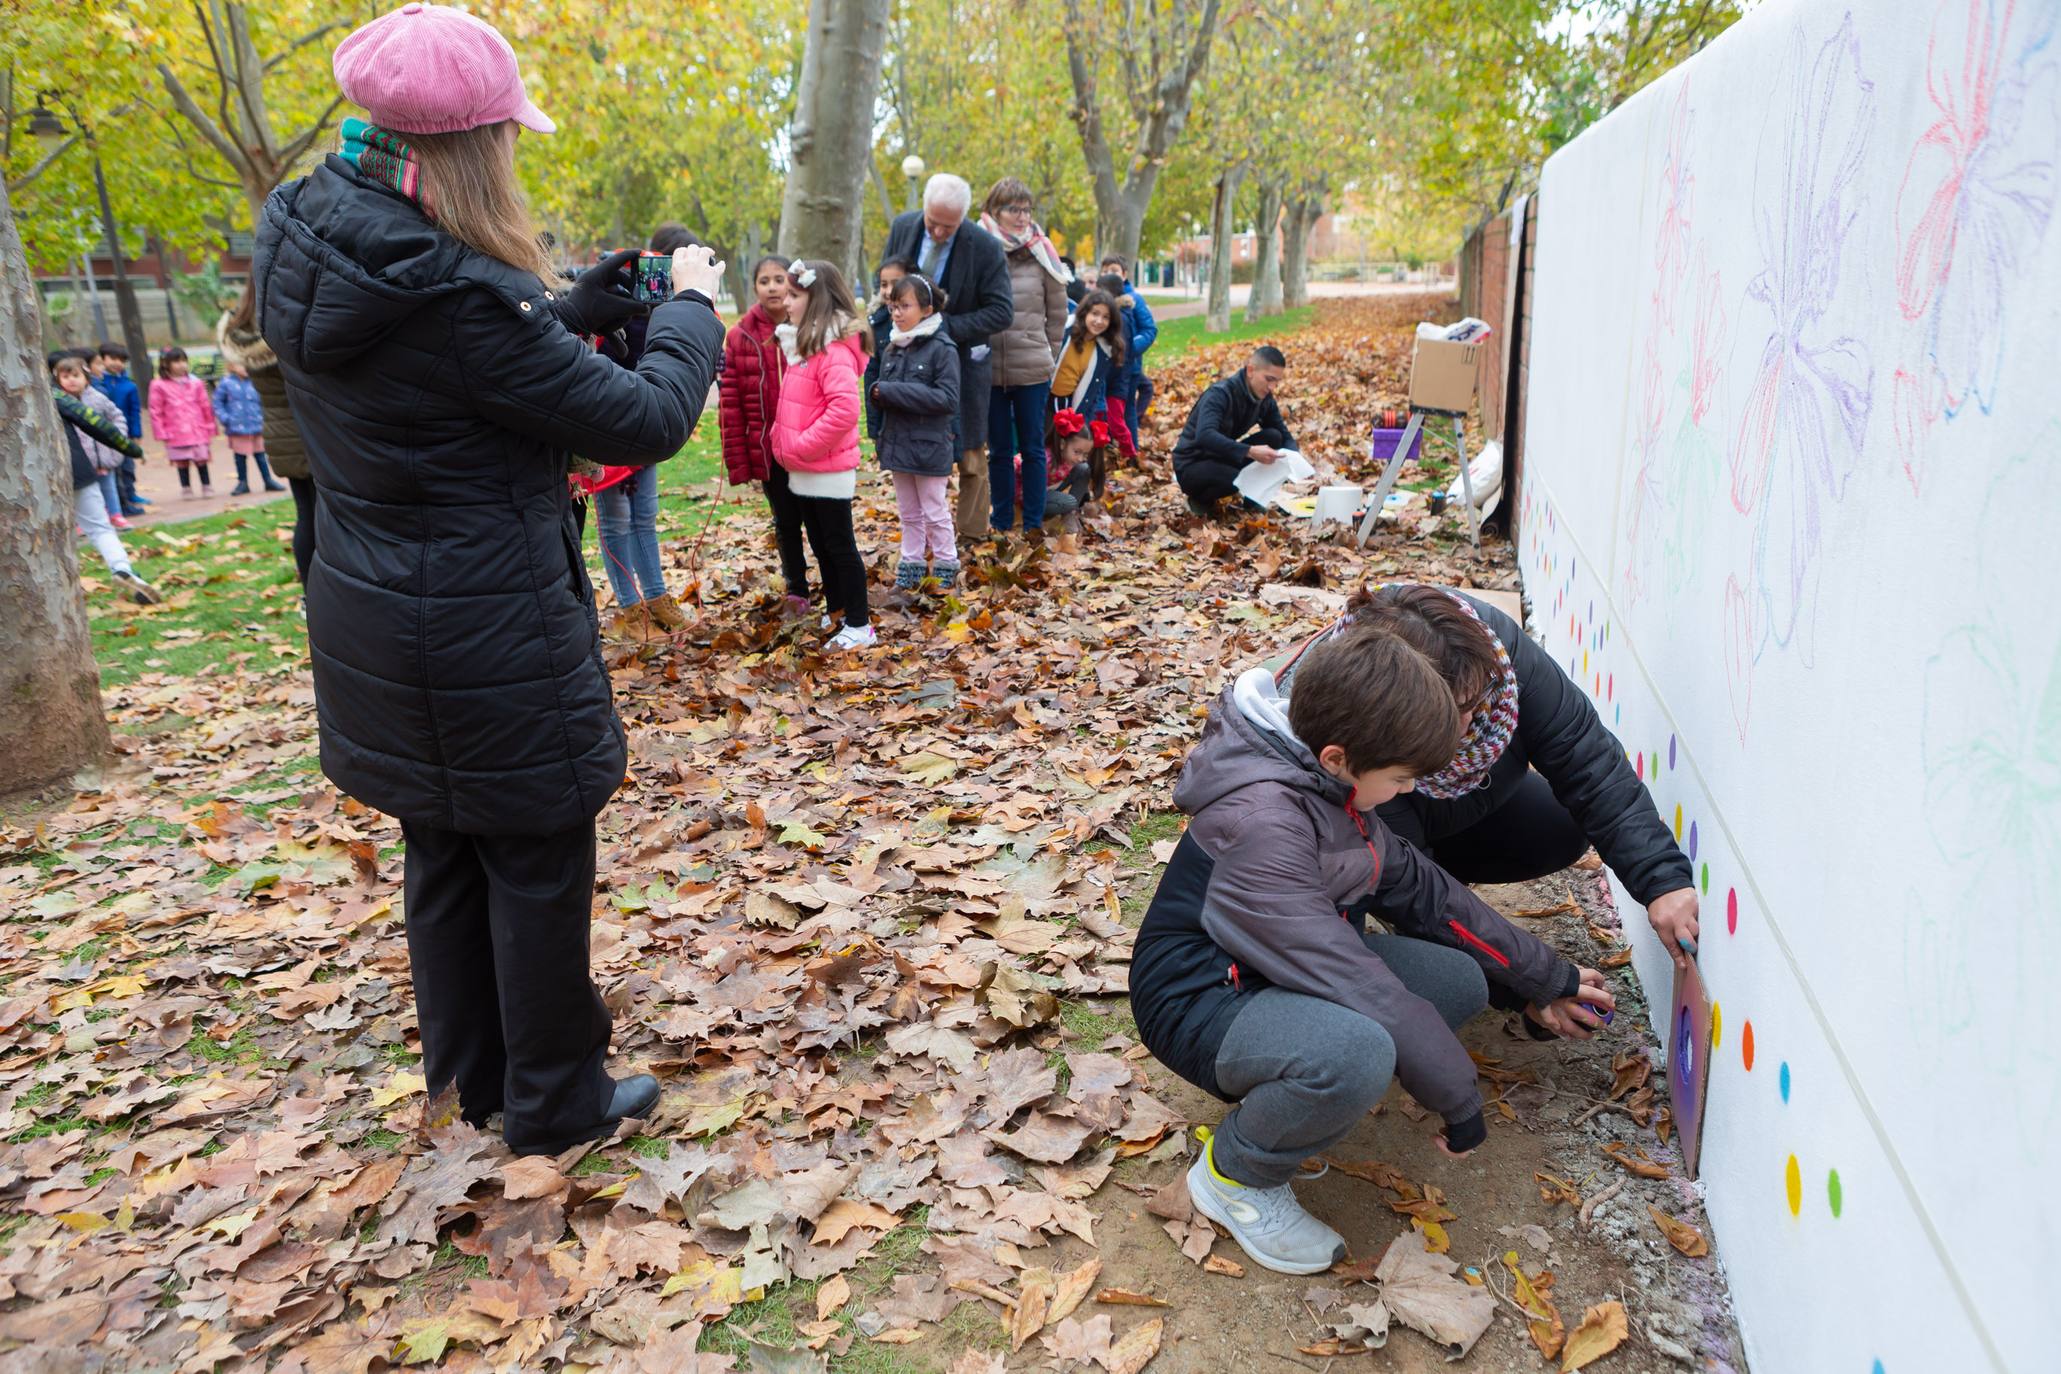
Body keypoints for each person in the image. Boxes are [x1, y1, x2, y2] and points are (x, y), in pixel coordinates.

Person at [251, 1, 727, 1156]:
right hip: (486, 627)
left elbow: (432, 376)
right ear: (472, 146)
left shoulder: (315, 234)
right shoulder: (459, 292)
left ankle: (474, 1080)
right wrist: (694, 306)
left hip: (380, 614)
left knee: (447, 847)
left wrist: (567, 314)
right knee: (536, 851)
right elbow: (651, 415)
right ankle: (555, 1101)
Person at [1129, 624, 1612, 1275]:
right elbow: (1355, 979)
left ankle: (1293, 1091)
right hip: (1200, 997)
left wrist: (1545, 978)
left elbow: (1431, 896)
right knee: (1360, 1049)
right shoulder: (1266, 825)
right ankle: (1234, 1176)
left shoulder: (1330, 792)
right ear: (1337, 757)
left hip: (1268, 970)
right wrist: (1454, 1092)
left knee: (1457, 983)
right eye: (1401, 778)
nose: (1408, 792)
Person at [1273, 583, 1702, 972]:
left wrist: (1662, 879)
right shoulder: (1348, 725)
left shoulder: (1494, 647)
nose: (1473, 720)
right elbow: (1413, 886)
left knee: (1557, 826)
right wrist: (1525, 983)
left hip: (1456, 810)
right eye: (1457, 711)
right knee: (1436, 953)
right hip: (1377, 822)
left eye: (1479, 701)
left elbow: (1584, 755)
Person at [879, 173, 1014, 543]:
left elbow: (1002, 311)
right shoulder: (903, 227)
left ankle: (971, 534)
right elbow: (887, 283)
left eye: (948, 227)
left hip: (961, 362)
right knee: (911, 449)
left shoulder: (985, 247)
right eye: (932, 222)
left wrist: (942, 326)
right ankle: (919, 535)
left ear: (964, 218)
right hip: (906, 365)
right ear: (923, 209)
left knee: (971, 453)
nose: (938, 232)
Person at [587, 221, 703, 637]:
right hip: (612, 418)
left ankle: (655, 596)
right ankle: (630, 605)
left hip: (649, 417)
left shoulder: (677, 305)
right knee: (615, 519)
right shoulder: (623, 293)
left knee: (645, 516)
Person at [770, 257, 874, 649]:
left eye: (795, 295)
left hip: (825, 466)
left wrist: (800, 445)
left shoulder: (832, 351)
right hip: (806, 468)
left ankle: (860, 623)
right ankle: (839, 612)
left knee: (839, 545)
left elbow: (845, 410)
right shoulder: (804, 346)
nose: (787, 301)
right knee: (821, 542)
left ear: (817, 300)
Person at [980, 177, 1071, 543]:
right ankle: (1002, 519)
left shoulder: (1042, 252)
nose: (1021, 217)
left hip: (1032, 365)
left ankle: (1033, 521)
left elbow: (1058, 313)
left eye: (1025, 209)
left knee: (1033, 447)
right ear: (994, 212)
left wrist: (1046, 351)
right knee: (999, 449)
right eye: (1012, 209)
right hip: (988, 367)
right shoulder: (982, 250)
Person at [720, 256, 810, 615]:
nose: (772, 287)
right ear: (755, 287)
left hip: (808, 445)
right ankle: (797, 588)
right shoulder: (741, 335)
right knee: (786, 521)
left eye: (779, 279)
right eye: (764, 281)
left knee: (820, 520)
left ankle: (834, 580)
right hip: (771, 450)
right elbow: (731, 401)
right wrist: (739, 460)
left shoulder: (807, 326)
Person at [219, 281, 317, 582]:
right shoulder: (290, 323)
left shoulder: (241, 330)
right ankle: (326, 591)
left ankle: (309, 594)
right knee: (328, 519)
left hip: (278, 434)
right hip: (313, 433)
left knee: (306, 514)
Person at [871, 271, 961, 592]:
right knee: (908, 514)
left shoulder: (942, 348)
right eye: (894, 306)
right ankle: (911, 567)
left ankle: (946, 567)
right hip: (898, 444)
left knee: (935, 511)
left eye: (904, 306)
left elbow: (947, 399)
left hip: (930, 445)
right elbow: (883, 392)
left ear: (926, 309)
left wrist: (891, 392)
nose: (896, 313)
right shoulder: (893, 347)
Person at [49, 357, 163, 605]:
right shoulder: (52, 395)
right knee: (100, 528)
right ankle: (122, 568)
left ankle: (54, 596)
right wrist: (131, 449)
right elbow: (95, 423)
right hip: (73, 469)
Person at [1171, 345, 1295, 518]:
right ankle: (1200, 499)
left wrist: (1296, 460)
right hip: (1192, 464)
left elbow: (1282, 432)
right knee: (1239, 479)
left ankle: (1253, 500)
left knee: (1274, 436)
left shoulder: (1264, 398)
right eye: (1269, 379)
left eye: (1276, 382)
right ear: (1251, 370)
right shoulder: (1220, 394)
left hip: (1219, 456)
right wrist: (1250, 452)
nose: (1272, 387)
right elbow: (1205, 436)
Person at [54, 350, 135, 530]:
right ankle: (83, 521)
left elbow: (117, 416)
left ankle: (115, 515)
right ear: (58, 380)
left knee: (109, 487)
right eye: (66, 376)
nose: (71, 380)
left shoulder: (98, 398)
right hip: (80, 459)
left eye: (76, 375)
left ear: (86, 377)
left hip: (104, 455)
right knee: (83, 493)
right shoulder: (59, 403)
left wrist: (117, 435)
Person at [1098, 256, 1157, 458]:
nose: (1109, 274)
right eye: (1104, 271)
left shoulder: (1134, 300)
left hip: (1127, 366)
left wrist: (1128, 349)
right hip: (1103, 367)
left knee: (1127, 410)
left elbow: (1149, 330)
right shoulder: (1099, 299)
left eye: (1113, 270)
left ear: (1124, 274)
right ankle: (1106, 446)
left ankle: (1132, 452)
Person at [1052, 287, 1125, 438]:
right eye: (1095, 314)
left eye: (1106, 317)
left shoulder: (1103, 351)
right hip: (1043, 399)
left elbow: (1092, 391)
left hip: (1068, 407)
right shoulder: (1065, 332)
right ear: (1085, 313)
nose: (1099, 321)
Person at [211, 357, 286, 496]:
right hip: (237, 428)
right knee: (240, 457)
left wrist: (263, 417)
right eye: (241, 365)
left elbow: (263, 401)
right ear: (232, 366)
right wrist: (226, 419)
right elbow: (217, 403)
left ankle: (268, 480)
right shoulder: (226, 383)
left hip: (256, 426)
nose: (245, 369)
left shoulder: (255, 382)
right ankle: (242, 482)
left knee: (261, 455)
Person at [149, 346, 218, 496]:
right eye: (177, 362)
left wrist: (210, 425)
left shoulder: (196, 383)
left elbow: (205, 405)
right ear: (166, 364)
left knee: (201, 458)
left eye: (184, 361)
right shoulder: (158, 385)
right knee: (181, 461)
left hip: (197, 428)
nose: (182, 365)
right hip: (175, 430)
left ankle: (206, 485)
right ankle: (186, 487)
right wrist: (161, 431)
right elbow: (156, 410)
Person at [93, 343, 149, 516]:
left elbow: (134, 411)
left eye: (121, 360)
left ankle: (130, 495)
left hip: (123, 433)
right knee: (113, 472)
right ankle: (119, 504)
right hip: (104, 434)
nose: (117, 363)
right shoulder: (97, 384)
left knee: (127, 467)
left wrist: (136, 433)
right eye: (112, 358)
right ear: (102, 359)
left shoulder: (129, 386)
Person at [862, 256, 912, 443]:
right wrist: (874, 430)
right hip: (888, 418)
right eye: (884, 284)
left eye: (896, 283)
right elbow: (871, 378)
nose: (889, 291)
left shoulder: (927, 326)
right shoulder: (876, 324)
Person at [1039, 410, 1103, 553]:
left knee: (1084, 468)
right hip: (1031, 497)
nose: (1080, 457)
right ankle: (1067, 522)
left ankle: (1070, 515)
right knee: (1069, 502)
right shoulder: (1046, 459)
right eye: (1077, 452)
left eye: (1085, 454)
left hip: (1050, 491)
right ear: (1062, 444)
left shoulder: (1068, 459)